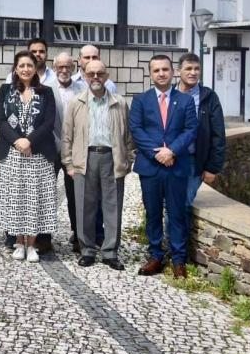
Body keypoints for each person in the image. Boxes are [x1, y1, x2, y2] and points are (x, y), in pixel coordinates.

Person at [61, 60, 135, 270]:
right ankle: (87, 250)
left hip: (112, 157)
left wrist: (128, 159)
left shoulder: (119, 102)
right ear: (84, 75)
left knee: (113, 206)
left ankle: (110, 252)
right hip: (85, 158)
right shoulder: (76, 103)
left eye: (100, 74)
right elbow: (67, 136)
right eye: (91, 73)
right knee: (85, 206)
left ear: (107, 75)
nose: (95, 77)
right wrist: (68, 163)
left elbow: (128, 135)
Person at [130, 55, 197, 278]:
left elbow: (190, 130)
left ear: (173, 72)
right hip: (151, 167)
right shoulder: (141, 100)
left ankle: (178, 260)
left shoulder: (185, 100)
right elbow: (136, 130)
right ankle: (156, 256)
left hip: (177, 165)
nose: (161, 73)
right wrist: (157, 153)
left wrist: (172, 151)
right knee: (153, 212)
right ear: (151, 73)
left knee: (177, 213)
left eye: (165, 69)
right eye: (156, 70)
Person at [0, 50, 58, 263]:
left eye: (30, 65)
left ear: (35, 68)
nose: (26, 69)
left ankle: (33, 245)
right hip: (12, 153)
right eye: (22, 66)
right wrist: (18, 140)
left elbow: (49, 122)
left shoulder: (46, 92)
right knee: (16, 198)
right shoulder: (5, 90)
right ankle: (19, 242)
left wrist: (30, 140)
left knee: (35, 198)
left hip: (38, 154)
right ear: (16, 69)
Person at [176, 53, 226, 208]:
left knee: (182, 204)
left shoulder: (209, 97)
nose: (193, 72)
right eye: (188, 68)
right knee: (166, 203)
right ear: (179, 71)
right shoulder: (168, 95)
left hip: (193, 161)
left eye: (197, 69)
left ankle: (173, 234)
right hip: (169, 160)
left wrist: (212, 167)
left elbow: (218, 134)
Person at [51, 52, 83, 253]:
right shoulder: (46, 88)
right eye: (60, 67)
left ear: (73, 67)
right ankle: (44, 236)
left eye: (67, 66)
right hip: (51, 148)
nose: (64, 70)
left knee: (75, 194)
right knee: (46, 192)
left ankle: (79, 235)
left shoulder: (82, 89)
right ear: (54, 68)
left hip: (74, 151)